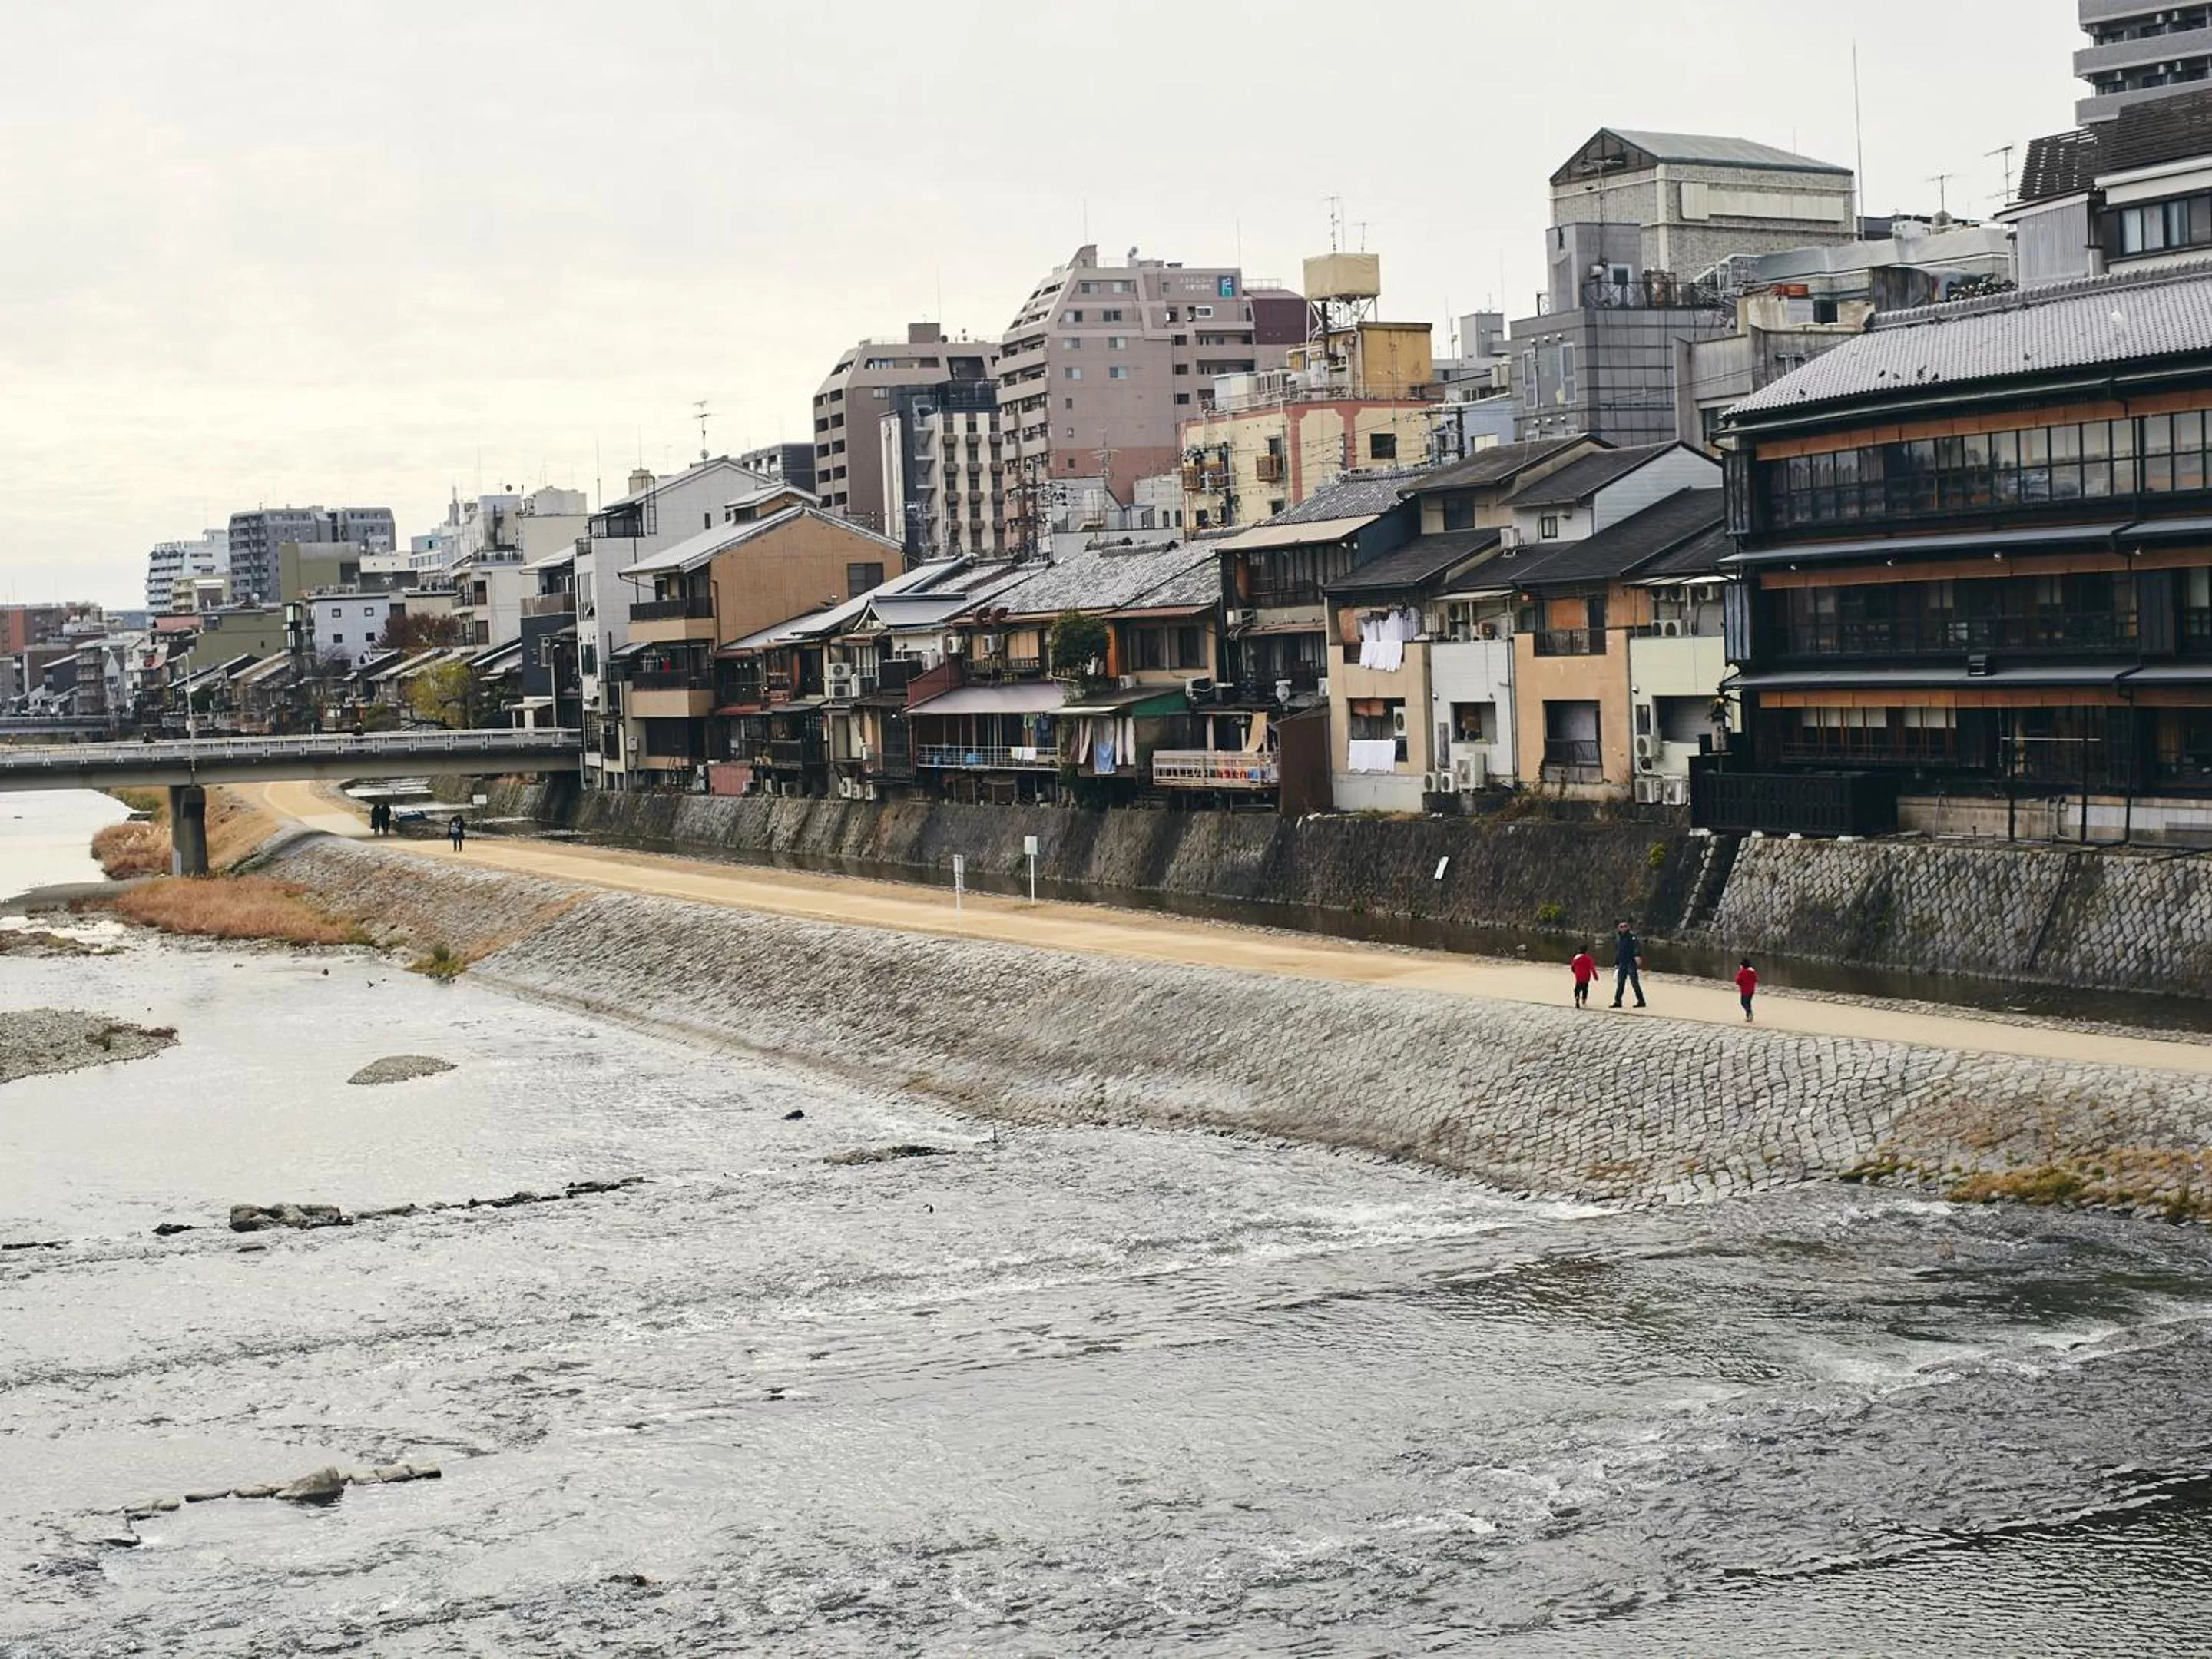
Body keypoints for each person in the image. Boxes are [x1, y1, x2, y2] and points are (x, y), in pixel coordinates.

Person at [1611, 920, 1647, 1010]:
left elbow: (1636, 947)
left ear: (1628, 927)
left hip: (1631, 963)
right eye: (1621, 926)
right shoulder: (1618, 938)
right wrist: (1616, 962)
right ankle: (1618, 1001)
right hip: (1622, 963)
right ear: (1619, 928)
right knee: (1620, 983)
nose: (1623, 928)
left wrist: (1637, 956)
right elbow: (1618, 951)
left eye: (1625, 926)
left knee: (1634, 983)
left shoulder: (1632, 937)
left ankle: (1641, 1000)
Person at [1570, 945, 1597, 1009]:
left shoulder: (1575, 958)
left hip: (1578, 976)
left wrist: (1575, 973)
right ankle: (1584, 1000)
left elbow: (1572, 967)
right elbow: (1592, 968)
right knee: (1585, 988)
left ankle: (1577, 998)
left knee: (1577, 988)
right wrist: (1595, 976)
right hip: (1586, 976)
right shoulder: (1588, 959)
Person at [1735, 958, 1759, 1023]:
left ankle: (1749, 1013)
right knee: (1748, 1003)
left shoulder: (1742, 972)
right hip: (1751, 990)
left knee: (1743, 1003)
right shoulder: (1752, 972)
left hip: (1745, 990)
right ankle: (1748, 1016)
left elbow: (1738, 981)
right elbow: (1756, 979)